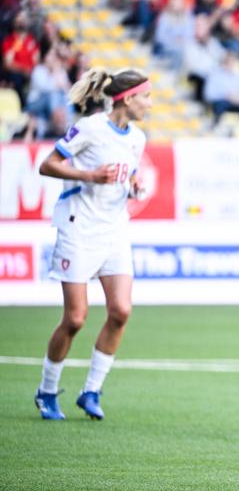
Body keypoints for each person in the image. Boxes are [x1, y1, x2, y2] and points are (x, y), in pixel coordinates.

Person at [34, 67, 152, 420]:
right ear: (128, 98)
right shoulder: (90, 128)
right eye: (145, 97)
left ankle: (91, 391)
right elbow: (48, 164)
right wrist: (89, 175)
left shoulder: (137, 138)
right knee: (75, 318)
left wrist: (132, 185)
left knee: (121, 311)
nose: (149, 104)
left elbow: (126, 173)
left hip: (114, 229)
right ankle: (47, 390)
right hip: (79, 228)